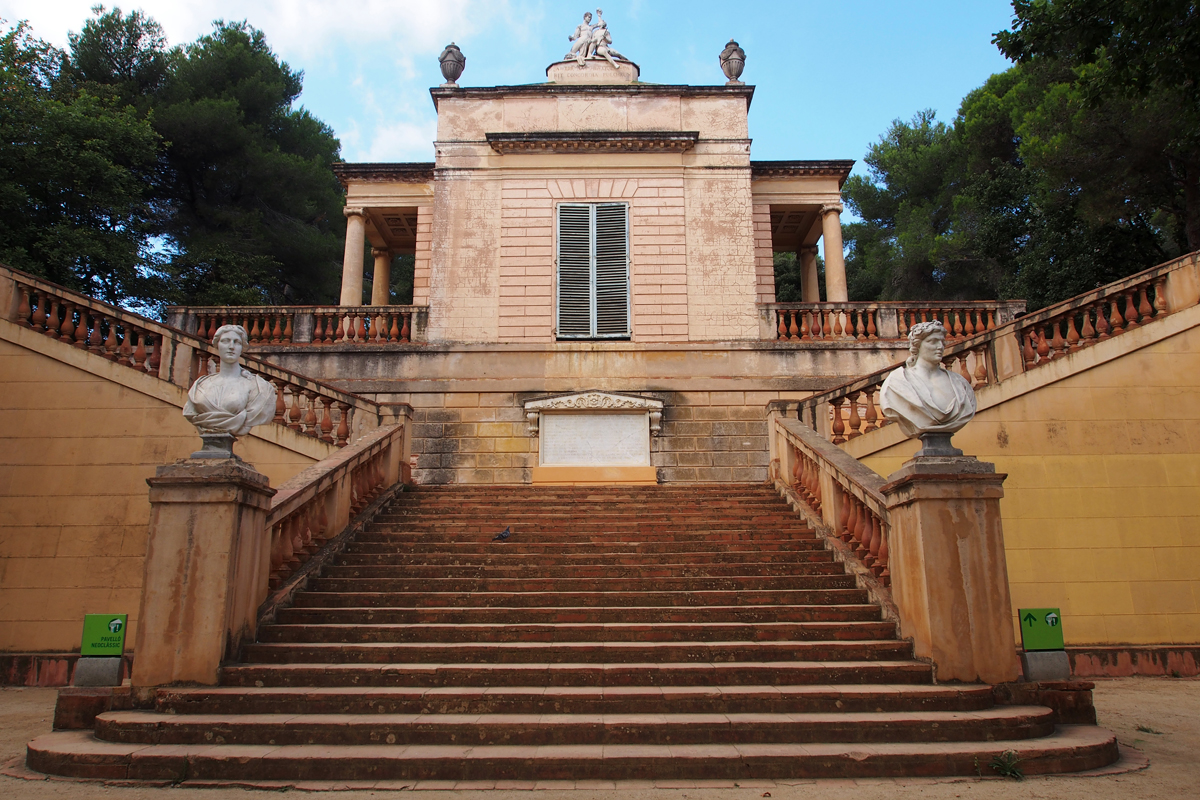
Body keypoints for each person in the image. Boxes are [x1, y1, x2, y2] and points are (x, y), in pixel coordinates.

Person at [878, 321, 976, 438]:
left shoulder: (961, 384)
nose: (940, 347)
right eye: (933, 342)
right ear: (917, 345)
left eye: (942, 342)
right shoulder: (896, 383)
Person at [183, 325, 277, 437]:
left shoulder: (258, 387)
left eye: (236, 342)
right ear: (217, 345)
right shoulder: (200, 385)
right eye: (225, 341)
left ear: (242, 348)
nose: (231, 346)